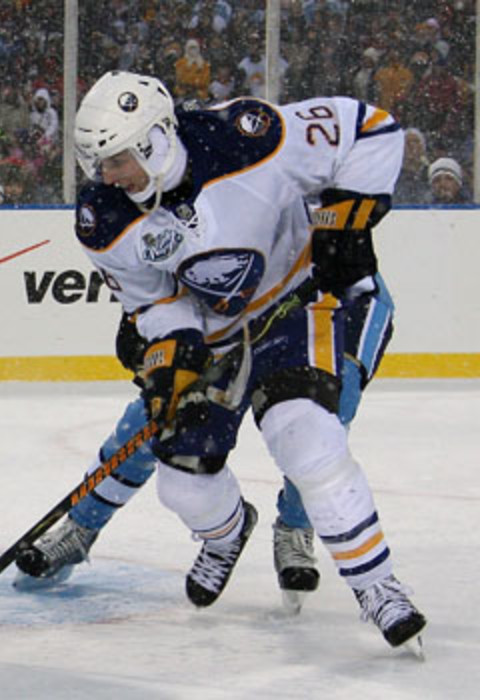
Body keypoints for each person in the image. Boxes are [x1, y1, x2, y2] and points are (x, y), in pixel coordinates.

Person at [23, 70, 425, 652]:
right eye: (96, 162)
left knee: (311, 437)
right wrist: (170, 350)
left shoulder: (246, 135)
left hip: (295, 306)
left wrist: (346, 218)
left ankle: (376, 583)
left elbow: (372, 130)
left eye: (114, 160)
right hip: (218, 336)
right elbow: (151, 302)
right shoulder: (103, 215)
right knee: (181, 475)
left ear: (156, 141)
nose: (103, 176)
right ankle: (224, 536)